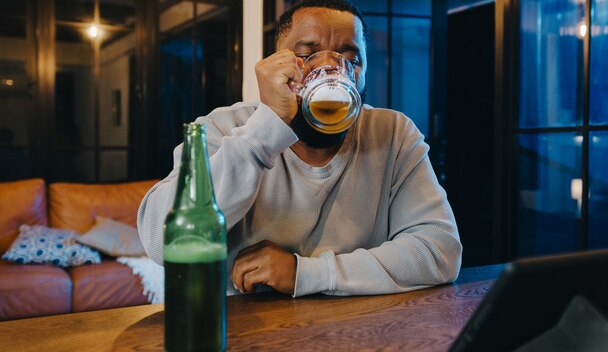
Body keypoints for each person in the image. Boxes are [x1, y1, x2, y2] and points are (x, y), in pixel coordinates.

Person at [138, 0, 462, 297]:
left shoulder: (392, 133)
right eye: (307, 56)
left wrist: (304, 273)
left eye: (350, 59)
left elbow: (439, 251)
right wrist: (266, 128)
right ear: (274, 64)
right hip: (245, 330)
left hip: (355, 329)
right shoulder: (224, 129)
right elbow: (161, 243)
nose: (332, 71)